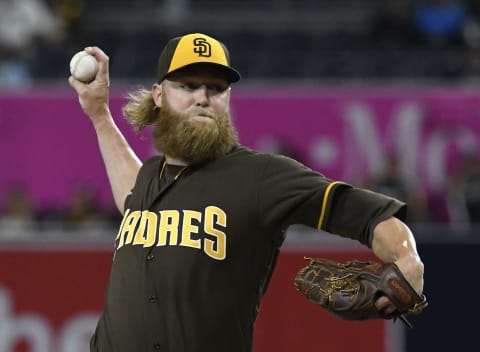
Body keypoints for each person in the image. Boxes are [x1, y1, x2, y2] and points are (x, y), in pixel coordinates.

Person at [68, 33, 425, 352]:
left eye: (216, 87)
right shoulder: (149, 179)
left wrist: (407, 258)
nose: (203, 97)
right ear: (159, 95)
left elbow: (368, 215)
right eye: (188, 85)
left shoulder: (261, 177)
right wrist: (99, 114)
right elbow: (130, 191)